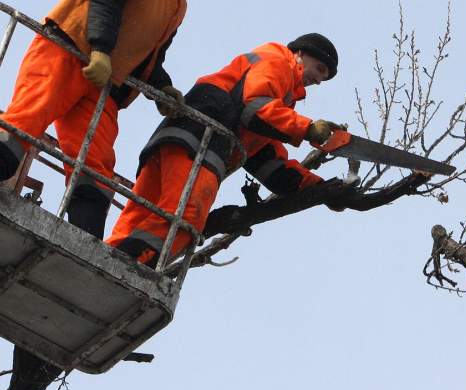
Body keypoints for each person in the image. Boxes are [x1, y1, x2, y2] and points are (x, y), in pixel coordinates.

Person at [0, 0, 223, 238]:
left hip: (105, 82)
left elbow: (150, 55)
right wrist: (101, 47)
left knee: (96, 162)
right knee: (27, 120)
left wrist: (162, 88)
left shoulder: (177, 2)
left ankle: (83, 241)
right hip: (68, 49)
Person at [108, 33, 341, 267]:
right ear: (300, 53)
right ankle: (127, 265)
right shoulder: (278, 62)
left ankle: (106, 258)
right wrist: (307, 127)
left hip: (181, 137)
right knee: (187, 213)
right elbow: (255, 106)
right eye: (320, 68)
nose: (320, 79)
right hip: (201, 140)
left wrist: (321, 189)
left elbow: (269, 161)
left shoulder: (275, 96)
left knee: (142, 215)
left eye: (325, 77)